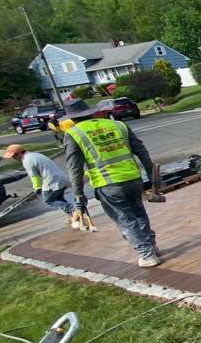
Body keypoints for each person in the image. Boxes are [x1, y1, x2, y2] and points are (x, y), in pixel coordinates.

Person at [62, 104, 161, 267]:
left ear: (71, 118)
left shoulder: (74, 133)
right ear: (91, 113)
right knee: (139, 213)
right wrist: (152, 175)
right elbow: (141, 150)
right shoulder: (117, 125)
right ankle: (152, 247)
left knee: (125, 219)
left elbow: (75, 168)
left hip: (108, 184)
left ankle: (147, 254)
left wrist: (79, 194)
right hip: (133, 178)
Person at [3, 144, 74, 220]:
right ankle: (72, 216)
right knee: (59, 198)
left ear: (19, 154)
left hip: (52, 180)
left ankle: (73, 210)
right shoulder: (34, 155)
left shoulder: (27, 160)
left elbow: (34, 176)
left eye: (14, 156)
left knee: (49, 200)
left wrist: (37, 188)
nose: (14, 158)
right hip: (60, 177)